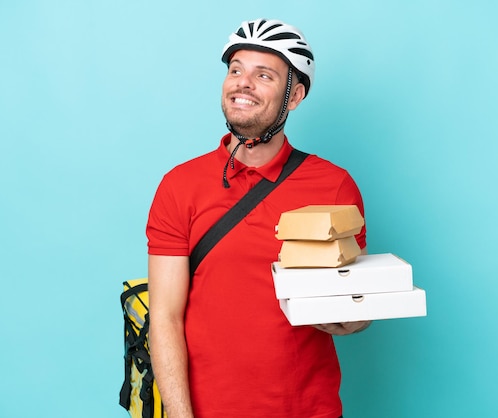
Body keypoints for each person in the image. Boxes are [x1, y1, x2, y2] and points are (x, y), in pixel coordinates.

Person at [146, 18, 371, 418]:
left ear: (295, 95)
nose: (243, 83)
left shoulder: (334, 186)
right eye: (236, 70)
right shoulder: (179, 186)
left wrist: (354, 320)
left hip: (306, 408)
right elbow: (164, 318)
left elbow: (357, 302)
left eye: (263, 75)